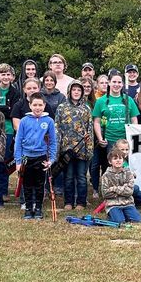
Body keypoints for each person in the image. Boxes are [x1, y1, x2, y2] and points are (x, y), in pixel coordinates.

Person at [14, 92, 57, 220]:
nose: (37, 107)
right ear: (30, 105)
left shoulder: (49, 121)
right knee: (27, 184)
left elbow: (53, 142)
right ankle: (28, 208)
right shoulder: (24, 121)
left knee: (39, 184)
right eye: (35, 105)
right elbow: (18, 141)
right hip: (26, 157)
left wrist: (52, 159)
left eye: (40, 105)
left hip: (41, 157)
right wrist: (18, 161)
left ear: (44, 105)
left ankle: (38, 208)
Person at [55, 80, 93, 210]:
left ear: (82, 92)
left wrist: (89, 149)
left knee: (82, 177)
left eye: (79, 90)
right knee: (68, 176)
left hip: (82, 149)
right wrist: (58, 149)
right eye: (74, 90)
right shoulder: (62, 108)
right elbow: (57, 128)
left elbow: (90, 130)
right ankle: (68, 202)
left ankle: (81, 202)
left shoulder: (86, 108)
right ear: (69, 91)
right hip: (67, 149)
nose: (76, 92)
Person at [101, 148, 141, 223]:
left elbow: (129, 192)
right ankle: (113, 215)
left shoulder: (128, 173)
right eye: (115, 158)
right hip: (113, 204)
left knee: (137, 220)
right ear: (110, 161)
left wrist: (114, 189)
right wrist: (123, 188)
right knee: (119, 221)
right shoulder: (106, 176)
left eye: (120, 158)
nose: (118, 160)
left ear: (123, 160)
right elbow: (105, 193)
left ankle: (124, 214)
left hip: (128, 203)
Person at [0, 64, 21, 170]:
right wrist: (6, 108)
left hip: (8, 129)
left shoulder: (15, 93)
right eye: (3, 74)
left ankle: (2, 185)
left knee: (4, 159)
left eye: (8, 74)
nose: (5, 77)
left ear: (12, 77)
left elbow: (13, 112)